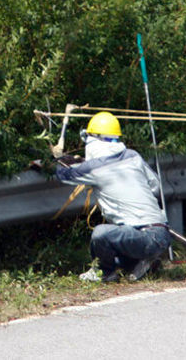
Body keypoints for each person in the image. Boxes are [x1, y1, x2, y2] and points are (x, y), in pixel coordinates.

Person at [54, 111, 172, 283]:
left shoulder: (94, 169)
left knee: (101, 233)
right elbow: (155, 185)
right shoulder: (133, 156)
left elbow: (62, 174)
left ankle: (105, 273)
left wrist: (49, 163)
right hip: (162, 232)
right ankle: (142, 262)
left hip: (144, 236)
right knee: (118, 254)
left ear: (93, 140)